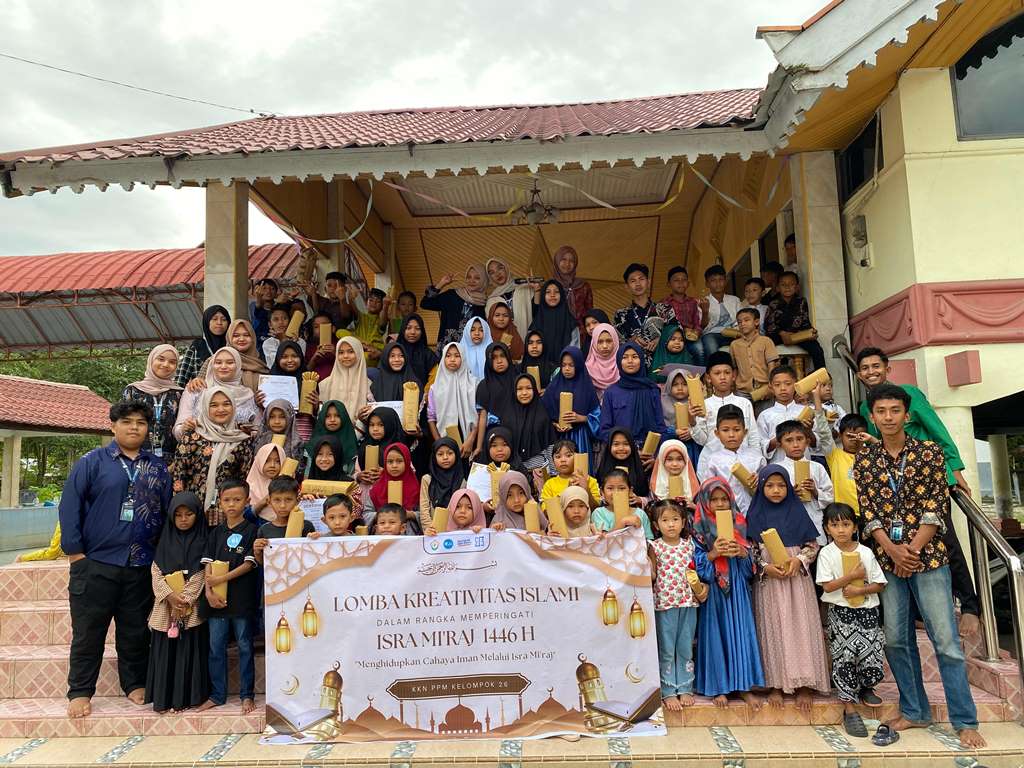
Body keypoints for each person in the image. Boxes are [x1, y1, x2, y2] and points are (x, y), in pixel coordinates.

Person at [854, 383, 985, 749]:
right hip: (888, 561)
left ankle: (965, 720)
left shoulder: (929, 453)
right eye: (881, 411)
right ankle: (915, 710)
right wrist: (892, 551)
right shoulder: (865, 459)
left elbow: (935, 508)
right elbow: (869, 513)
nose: (888, 417)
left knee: (946, 641)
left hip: (929, 559)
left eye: (895, 410)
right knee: (897, 640)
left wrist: (910, 550)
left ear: (907, 414)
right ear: (872, 417)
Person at [59, 400, 173, 718]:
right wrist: (76, 554)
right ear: (113, 426)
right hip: (95, 562)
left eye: (141, 422)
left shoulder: (157, 467)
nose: (134, 427)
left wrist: (161, 559)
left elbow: (167, 513)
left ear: (148, 429)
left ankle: (134, 683)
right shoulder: (92, 462)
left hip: (140, 564)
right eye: (127, 421)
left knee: (135, 630)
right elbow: (70, 506)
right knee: (89, 631)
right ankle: (80, 691)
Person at [855, 347, 980, 634]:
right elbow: (882, 448)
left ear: (887, 368)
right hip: (895, 492)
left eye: (876, 366)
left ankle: (970, 606)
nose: (871, 372)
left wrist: (955, 468)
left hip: (927, 481)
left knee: (946, 541)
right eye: (865, 368)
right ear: (859, 374)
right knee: (898, 544)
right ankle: (919, 611)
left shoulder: (908, 394)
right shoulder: (865, 409)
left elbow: (937, 430)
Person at [747, 466, 831, 712]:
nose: (776, 490)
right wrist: (765, 567)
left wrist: (799, 560)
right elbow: (750, 551)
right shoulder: (755, 514)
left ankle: (804, 684)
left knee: (800, 629)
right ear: (761, 487)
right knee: (773, 630)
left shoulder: (797, 512)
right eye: (770, 485)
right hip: (770, 583)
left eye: (781, 485)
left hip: (797, 582)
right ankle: (776, 684)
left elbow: (812, 546)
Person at [690, 478, 764, 709]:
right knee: (715, 635)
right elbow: (695, 563)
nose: (720, 504)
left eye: (724, 499)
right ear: (705, 501)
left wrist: (742, 553)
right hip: (714, 589)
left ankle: (744, 687)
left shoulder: (739, 523)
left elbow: (750, 567)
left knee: (740, 632)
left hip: (737, 588)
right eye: (714, 500)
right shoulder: (699, 528)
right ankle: (718, 687)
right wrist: (713, 553)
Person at [816, 502, 887, 737]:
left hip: (867, 611)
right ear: (827, 529)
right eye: (835, 525)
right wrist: (852, 576)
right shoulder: (827, 553)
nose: (841, 530)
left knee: (871, 652)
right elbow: (827, 586)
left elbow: (879, 584)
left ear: (855, 527)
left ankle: (866, 687)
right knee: (844, 656)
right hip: (840, 611)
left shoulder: (865, 552)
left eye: (846, 524)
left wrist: (860, 589)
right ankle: (849, 708)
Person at [197, 479, 259, 714]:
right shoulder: (215, 533)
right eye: (226, 500)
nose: (231, 504)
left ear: (247, 501)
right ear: (220, 503)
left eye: (237, 499)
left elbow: (249, 564)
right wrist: (208, 591)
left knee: (244, 646)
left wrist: (222, 578)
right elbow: (207, 564)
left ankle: (247, 695)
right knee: (216, 647)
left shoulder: (253, 530)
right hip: (216, 601)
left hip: (242, 599)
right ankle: (217, 695)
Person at [144, 491, 209, 713]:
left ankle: (187, 698)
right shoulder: (164, 541)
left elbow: (202, 572)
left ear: (197, 515)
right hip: (166, 608)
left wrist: (184, 600)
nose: (183, 519)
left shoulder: (204, 540)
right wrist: (170, 596)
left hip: (191, 609)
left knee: (188, 651)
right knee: (166, 652)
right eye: (178, 515)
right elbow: (156, 571)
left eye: (189, 514)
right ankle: (164, 699)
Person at [648, 499, 707, 710]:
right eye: (665, 520)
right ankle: (667, 690)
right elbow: (652, 574)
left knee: (684, 646)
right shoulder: (654, 546)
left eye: (675, 519)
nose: (671, 524)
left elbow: (698, 569)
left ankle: (685, 687)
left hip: (688, 602)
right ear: (656, 525)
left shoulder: (690, 545)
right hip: (664, 604)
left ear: (683, 522)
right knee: (666, 648)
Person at [172, 387, 256, 525]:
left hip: (227, 515)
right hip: (193, 513)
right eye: (214, 405)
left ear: (233, 406)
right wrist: (180, 510)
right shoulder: (192, 438)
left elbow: (243, 478)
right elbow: (179, 476)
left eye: (226, 404)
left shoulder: (243, 440)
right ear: (205, 407)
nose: (221, 409)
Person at [174, 347, 260, 440]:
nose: (223, 366)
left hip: (239, 447)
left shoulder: (248, 395)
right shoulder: (196, 389)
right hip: (201, 447)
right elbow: (177, 431)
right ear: (212, 365)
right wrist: (184, 428)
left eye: (230, 362)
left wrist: (249, 433)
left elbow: (259, 430)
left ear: (238, 365)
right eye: (218, 362)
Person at [690, 351, 761, 454]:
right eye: (717, 373)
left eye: (727, 373)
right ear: (708, 378)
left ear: (733, 375)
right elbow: (703, 441)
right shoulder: (704, 405)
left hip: (742, 459)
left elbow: (753, 436)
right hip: (712, 459)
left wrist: (756, 458)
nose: (722, 377)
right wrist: (692, 422)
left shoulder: (744, 403)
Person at [696, 405, 764, 512]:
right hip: (725, 513)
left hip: (754, 511)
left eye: (737, 430)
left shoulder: (757, 458)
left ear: (745, 432)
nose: (731, 435)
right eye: (725, 430)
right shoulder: (713, 461)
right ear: (717, 433)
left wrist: (758, 481)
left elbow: (766, 485)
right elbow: (707, 491)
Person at [598, 343, 668, 446]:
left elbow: (660, 427)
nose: (630, 361)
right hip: (621, 451)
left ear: (641, 360)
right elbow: (605, 430)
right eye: (625, 357)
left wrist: (652, 451)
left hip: (649, 451)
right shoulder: (611, 392)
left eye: (634, 357)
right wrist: (623, 446)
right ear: (619, 361)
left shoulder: (652, 390)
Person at [123, 344, 183, 463]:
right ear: (151, 360)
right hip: (136, 458)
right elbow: (124, 424)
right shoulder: (132, 391)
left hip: (171, 462)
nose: (165, 364)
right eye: (160, 359)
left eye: (172, 362)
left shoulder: (180, 394)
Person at [542, 347, 601, 459]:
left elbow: (598, 417)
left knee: (580, 466)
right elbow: (542, 412)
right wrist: (554, 424)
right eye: (564, 365)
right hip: (558, 437)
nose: (567, 369)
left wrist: (582, 418)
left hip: (580, 436)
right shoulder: (554, 386)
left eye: (571, 365)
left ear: (578, 365)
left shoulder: (586, 388)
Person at [764, 271, 826, 371]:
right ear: (778, 288)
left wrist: (810, 333)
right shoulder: (773, 303)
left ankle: (822, 374)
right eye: (783, 284)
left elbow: (804, 320)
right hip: (779, 335)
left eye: (791, 284)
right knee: (766, 345)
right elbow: (769, 324)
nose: (787, 287)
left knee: (816, 348)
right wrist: (782, 333)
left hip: (797, 335)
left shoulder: (801, 301)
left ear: (797, 287)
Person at [421, 265, 489, 350]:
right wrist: (441, 283)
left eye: (477, 278)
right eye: (469, 277)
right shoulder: (452, 295)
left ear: (484, 280)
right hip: (446, 350)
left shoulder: (485, 304)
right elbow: (425, 303)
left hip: (470, 352)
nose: (472, 281)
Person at [427, 342, 478, 455]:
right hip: (444, 443)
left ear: (463, 358)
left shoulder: (474, 384)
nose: (452, 359)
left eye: (457, 355)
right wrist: (439, 443)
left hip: (470, 441)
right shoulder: (435, 388)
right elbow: (431, 418)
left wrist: (471, 440)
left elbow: (480, 414)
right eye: (448, 355)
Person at [253, 476, 315, 562]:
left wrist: (315, 539)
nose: (282, 505)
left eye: (288, 500)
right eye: (277, 500)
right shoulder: (264, 529)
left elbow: (313, 556)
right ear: (269, 502)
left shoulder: (306, 526)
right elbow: (263, 563)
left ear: (297, 500)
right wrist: (257, 552)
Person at [473, 342, 519, 457]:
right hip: (494, 436)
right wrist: (479, 447)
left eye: (502, 356)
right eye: (494, 358)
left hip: (517, 432)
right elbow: (483, 417)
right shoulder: (484, 385)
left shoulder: (518, 380)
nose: (499, 361)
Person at [756, 365, 810, 462]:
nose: (783, 388)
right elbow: (761, 446)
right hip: (777, 465)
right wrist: (781, 438)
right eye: (777, 385)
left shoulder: (805, 411)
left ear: (795, 384)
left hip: (803, 463)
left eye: (788, 384)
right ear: (771, 387)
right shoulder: (765, 415)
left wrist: (809, 431)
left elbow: (817, 444)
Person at [505, 374, 556, 475]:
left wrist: (553, 472)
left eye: (528, 388)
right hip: (514, 472)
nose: (524, 393)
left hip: (539, 472)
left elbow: (550, 445)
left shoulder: (542, 415)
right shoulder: (507, 417)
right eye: (519, 389)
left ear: (535, 390)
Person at [318, 336, 373, 427]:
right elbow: (321, 415)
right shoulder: (325, 384)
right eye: (341, 352)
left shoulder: (369, 385)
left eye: (351, 351)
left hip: (360, 433)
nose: (346, 356)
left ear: (359, 353)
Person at [366, 443, 421, 531]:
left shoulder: (416, 488)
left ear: (407, 462)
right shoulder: (376, 488)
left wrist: (410, 514)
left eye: (399, 461)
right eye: (390, 462)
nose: (394, 465)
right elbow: (366, 514)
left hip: (408, 534)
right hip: (382, 534)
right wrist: (382, 515)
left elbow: (426, 515)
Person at [656, 266, 704, 365]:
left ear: (688, 283)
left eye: (684, 280)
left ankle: (700, 373)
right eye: (676, 280)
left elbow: (697, 322)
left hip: (691, 338)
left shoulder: (693, 302)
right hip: (673, 338)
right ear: (669, 284)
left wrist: (696, 332)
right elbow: (662, 325)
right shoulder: (664, 303)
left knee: (699, 349)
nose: (681, 283)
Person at [613, 263, 660, 363]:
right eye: (633, 281)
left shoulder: (664, 310)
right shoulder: (620, 315)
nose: (638, 284)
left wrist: (660, 340)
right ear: (627, 287)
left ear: (648, 282)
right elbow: (616, 344)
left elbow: (677, 334)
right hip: (633, 365)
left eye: (641, 279)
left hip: (661, 364)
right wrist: (631, 341)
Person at [529, 280, 579, 370]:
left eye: (556, 292)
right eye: (548, 292)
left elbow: (574, 350)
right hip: (540, 369)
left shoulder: (570, 323)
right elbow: (531, 348)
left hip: (565, 370)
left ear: (562, 295)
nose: (552, 295)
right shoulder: (537, 321)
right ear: (543, 296)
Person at [176, 305, 230, 388]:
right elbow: (180, 379)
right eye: (214, 319)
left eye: (224, 319)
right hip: (201, 393)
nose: (219, 322)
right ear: (207, 322)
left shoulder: (232, 347)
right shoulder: (197, 347)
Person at [591, 468, 654, 539]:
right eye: (610, 488)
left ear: (630, 491)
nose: (616, 492)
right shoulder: (599, 513)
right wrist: (622, 523)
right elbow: (603, 541)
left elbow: (649, 540)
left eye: (621, 488)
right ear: (602, 492)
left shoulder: (640, 513)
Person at [419, 437, 466, 531]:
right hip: (432, 530)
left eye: (450, 453)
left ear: (456, 454)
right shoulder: (427, 479)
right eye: (440, 454)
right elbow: (424, 508)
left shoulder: (462, 481)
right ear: (434, 457)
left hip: (455, 530)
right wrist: (429, 528)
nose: (445, 457)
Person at [729, 307, 778, 398]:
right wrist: (733, 385)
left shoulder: (766, 341)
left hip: (764, 388)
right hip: (742, 390)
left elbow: (771, 365)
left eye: (746, 320)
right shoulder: (734, 345)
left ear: (756, 322)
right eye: (739, 322)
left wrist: (771, 384)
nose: (743, 324)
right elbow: (734, 368)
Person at [541, 440, 601, 512]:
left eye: (568, 455)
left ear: (577, 457)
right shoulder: (549, 485)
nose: (563, 460)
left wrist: (586, 489)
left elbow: (596, 510)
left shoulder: (589, 480)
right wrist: (567, 494)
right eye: (558, 457)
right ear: (553, 461)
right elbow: (546, 512)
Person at [595, 427, 651, 504]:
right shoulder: (603, 469)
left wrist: (640, 500)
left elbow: (651, 497)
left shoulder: (643, 467)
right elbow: (597, 495)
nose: (621, 448)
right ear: (609, 446)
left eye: (626, 444)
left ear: (632, 446)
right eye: (616, 444)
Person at [485, 258, 537, 338]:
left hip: (530, 340)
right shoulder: (491, 301)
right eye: (492, 272)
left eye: (500, 268)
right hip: (505, 344)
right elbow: (493, 330)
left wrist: (537, 290)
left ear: (506, 268)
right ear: (490, 277)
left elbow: (538, 312)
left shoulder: (525, 288)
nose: (497, 274)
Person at [660, 369, 701, 469]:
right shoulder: (661, 403)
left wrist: (692, 432)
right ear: (669, 386)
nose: (680, 388)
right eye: (675, 384)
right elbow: (658, 428)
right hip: (669, 448)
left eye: (684, 384)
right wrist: (673, 431)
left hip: (691, 449)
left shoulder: (697, 403)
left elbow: (703, 426)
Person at [698, 264, 741, 358]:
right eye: (713, 280)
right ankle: (715, 366)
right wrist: (705, 311)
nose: (718, 283)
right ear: (707, 284)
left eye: (721, 279)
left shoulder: (735, 300)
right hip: (713, 334)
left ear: (725, 281)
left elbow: (740, 320)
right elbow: (702, 327)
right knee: (710, 344)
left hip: (734, 333)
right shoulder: (703, 302)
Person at [551, 245, 593, 327]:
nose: (567, 264)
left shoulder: (583, 286)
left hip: (580, 331)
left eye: (571, 261)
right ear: (557, 261)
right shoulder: (550, 286)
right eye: (563, 259)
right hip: (555, 330)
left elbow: (590, 313)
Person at [344, 287, 389, 365]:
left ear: (382, 305)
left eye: (378, 302)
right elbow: (354, 309)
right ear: (366, 302)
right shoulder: (361, 316)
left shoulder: (381, 319)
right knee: (340, 331)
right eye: (371, 300)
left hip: (374, 351)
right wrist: (350, 299)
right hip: (359, 346)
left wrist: (385, 306)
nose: (373, 303)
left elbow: (383, 323)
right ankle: (363, 344)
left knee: (365, 358)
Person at [245, 443, 286, 522]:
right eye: (266, 461)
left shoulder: (288, 485)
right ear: (259, 461)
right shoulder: (248, 488)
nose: (272, 465)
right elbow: (244, 517)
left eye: (278, 461)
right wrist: (263, 501)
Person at [650, 439, 700, 504]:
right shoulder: (655, 485)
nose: (675, 464)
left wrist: (693, 507)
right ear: (662, 461)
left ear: (686, 460)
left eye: (679, 459)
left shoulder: (693, 486)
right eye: (669, 459)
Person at [396, 313, 438, 384]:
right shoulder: (395, 352)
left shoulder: (429, 355)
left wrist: (424, 391)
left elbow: (433, 380)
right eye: (408, 328)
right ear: (403, 330)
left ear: (422, 331)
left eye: (417, 328)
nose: (413, 332)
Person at [585, 322, 620, 402]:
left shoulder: (623, 366)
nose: (605, 346)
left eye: (609, 341)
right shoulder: (587, 369)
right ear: (593, 343)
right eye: (600, 342)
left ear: (615, 341)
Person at [304, 312, 337, 381]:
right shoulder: (310, 347)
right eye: (316, 327)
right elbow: (306, 372)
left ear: (333, 328)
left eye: (324, 326)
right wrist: (314, 358)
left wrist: (336, 353)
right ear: (313, 331)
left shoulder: (340, 344)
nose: (320, 329)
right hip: (316, 385)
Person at [249, 277, 279, 345]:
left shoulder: (280, 307)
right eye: (264, 288)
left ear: (276, 293)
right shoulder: (252, 305)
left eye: (272, 288)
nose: (268, 291)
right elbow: (257, 310)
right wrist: (258, 298)